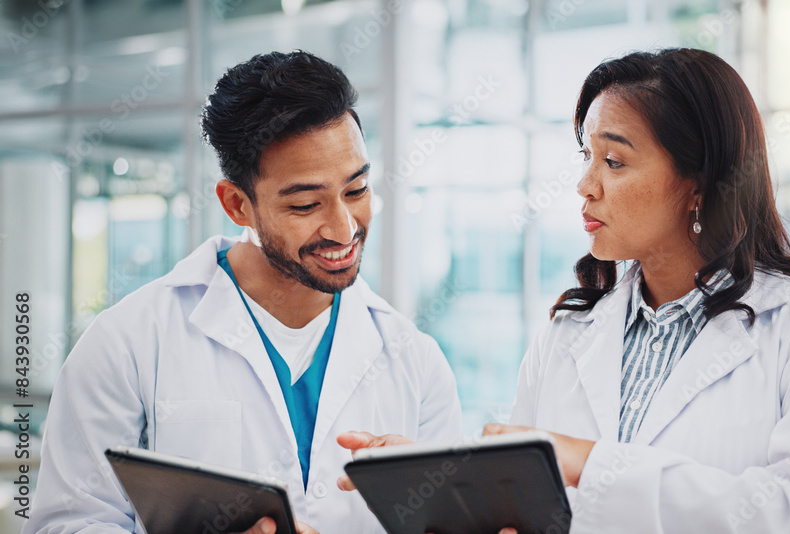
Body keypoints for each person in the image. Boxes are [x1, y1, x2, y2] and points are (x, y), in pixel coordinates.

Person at [24, 50, 462, 534]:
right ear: (237, 204)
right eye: (305, 204)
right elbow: (66, 525)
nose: (343, 228)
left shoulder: (416, 361)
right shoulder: (126, 343)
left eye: (356, 191)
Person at [483, 48, 790, 533]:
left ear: (699, 185)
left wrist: (593, 465)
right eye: (587, 157)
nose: (584, 185)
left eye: (614, 161)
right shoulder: (564, 337)